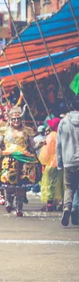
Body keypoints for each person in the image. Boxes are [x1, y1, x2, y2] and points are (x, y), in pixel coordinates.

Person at [0, 106, 41, 217]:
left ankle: (19, 208)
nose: (16, 121)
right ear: (10, 119)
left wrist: (40, 144)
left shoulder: (27, 131)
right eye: (14, 119)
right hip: (9, 159)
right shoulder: (4, 131)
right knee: (8, 184)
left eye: (18, 119)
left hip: (24, 160)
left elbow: (33, 146)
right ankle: (9, 201)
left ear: (22, 119)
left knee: (22, 185)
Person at [56, 94, 79, 226]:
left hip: (68, 161)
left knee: (69, 187)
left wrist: (60, 162)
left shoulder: (63, 122)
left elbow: (58, 144)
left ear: (70, 106)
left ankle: (67, 207)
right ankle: (76, 209)